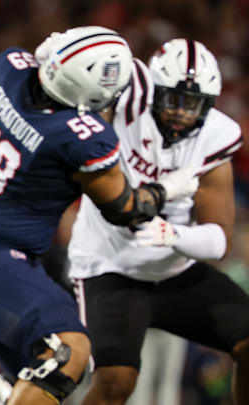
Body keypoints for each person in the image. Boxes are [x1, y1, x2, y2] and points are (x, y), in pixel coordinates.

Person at [0, 26, 200, 405]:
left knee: (19, 378)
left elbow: (18, 59)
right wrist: (168, 189)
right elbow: (126, 209)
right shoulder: (78, 136)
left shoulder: (8, 71)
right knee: (67, 352)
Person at [67, 38, 248, 405]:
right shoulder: (125, 104)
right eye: (174, 99)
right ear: (153, 91)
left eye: (192, 103)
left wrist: (172, 234)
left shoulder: (216, 137)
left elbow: (218, 242)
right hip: (110, 266)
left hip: (175, 271)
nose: (181, 112)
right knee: (116, 383)